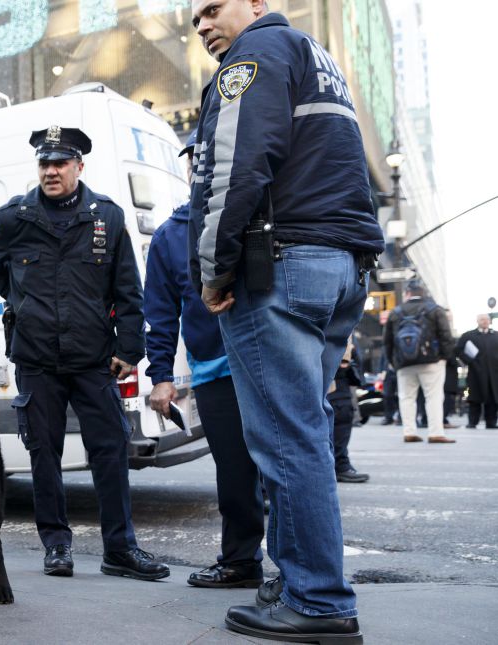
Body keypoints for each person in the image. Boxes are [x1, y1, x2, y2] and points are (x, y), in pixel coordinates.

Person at [189, 0, 383, 641]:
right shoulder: (315, 58)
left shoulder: (255, 56)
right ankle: (294, 582)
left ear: (257, 4)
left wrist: (214, 269)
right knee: (303, 431)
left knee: (287, 438)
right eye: (195, 19)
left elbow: (237, 165)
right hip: (340, 265)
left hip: (281, 265)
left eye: (213, 8)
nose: (204, 24)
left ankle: (319, 601)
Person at [0, 126, 169, 583]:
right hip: (37, 358)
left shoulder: (108, 217)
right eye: (45, 163)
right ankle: (56, 546)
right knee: (45, 453)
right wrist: (20, 298)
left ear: (79, 167)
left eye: (60, 163)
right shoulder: (14, 217)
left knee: (111, 450)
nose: (51, 171)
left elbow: (129, 289)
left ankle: (119, 549)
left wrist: (130, 348)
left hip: (93, 357)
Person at [144, 131, 264, 588]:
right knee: (234, 473)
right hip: (215, 371)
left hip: (265, 361)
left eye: (209, 156)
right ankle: (241, 561)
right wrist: (160, 377)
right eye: (195, 159)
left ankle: (300, 571)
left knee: (284, 467)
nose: (200, 166)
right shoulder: (170, 238)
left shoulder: (258, 215)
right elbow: (159, 314)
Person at [382, 282, 455, 443]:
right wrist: (443, 357)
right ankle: (435, 433)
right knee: (433, 397)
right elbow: (446, 337)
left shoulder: (396, 312)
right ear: (423, 293)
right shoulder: (435, 310)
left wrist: (393, 362)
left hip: (404, 363)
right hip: (431, 361)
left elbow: (387, 341)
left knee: (406, 397)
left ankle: (409, 432)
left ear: (407, 293)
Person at [330, 338, 370, 483]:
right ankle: (339, 464)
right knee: (340, 411)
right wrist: (345, 357)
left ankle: (338, 464)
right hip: (332, 357)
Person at [457, 314, 498, 428]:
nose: (485, 321)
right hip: (475, 373)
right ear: (477, 321)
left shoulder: (496, 335)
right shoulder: (468, 335)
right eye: (482, 319)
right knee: (474, 399)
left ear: (490, 321)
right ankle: (472, 422)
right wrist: (469, 360)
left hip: (493, 375)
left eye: (487, 319)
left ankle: (491, 422)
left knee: (492, 400)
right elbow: (458, 351)